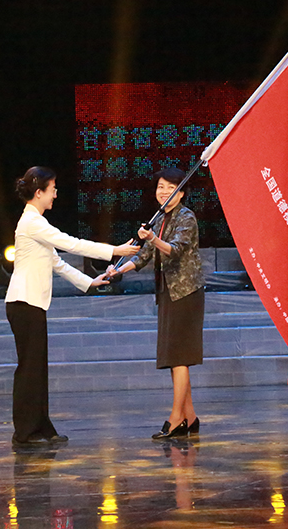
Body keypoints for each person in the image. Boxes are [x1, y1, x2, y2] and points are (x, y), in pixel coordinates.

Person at [6, 166, 138, 447]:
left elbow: (58, 263)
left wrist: (90, 282)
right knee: (30, 369)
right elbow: (72, 244)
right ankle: (25, 433)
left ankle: (41, 428)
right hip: (24, 302)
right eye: (52, 189)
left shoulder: (36, 223)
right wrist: (114, 250)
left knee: (37, 368)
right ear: (39, 192)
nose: (55, 194)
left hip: (31, 304)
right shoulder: (32, 222)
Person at [105, 167, 205, 439]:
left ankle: (176, 419)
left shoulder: (186, 217)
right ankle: (190, 417)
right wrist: (117, 270)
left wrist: (153, 238)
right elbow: (144, 256)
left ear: (181, 193)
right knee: (173, 357)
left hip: (185, 293)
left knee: (179, 357)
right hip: (167, 292)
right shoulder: (159, 218)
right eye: (160, 187)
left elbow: (175, 250)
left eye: (170, 187)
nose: (164, 192)